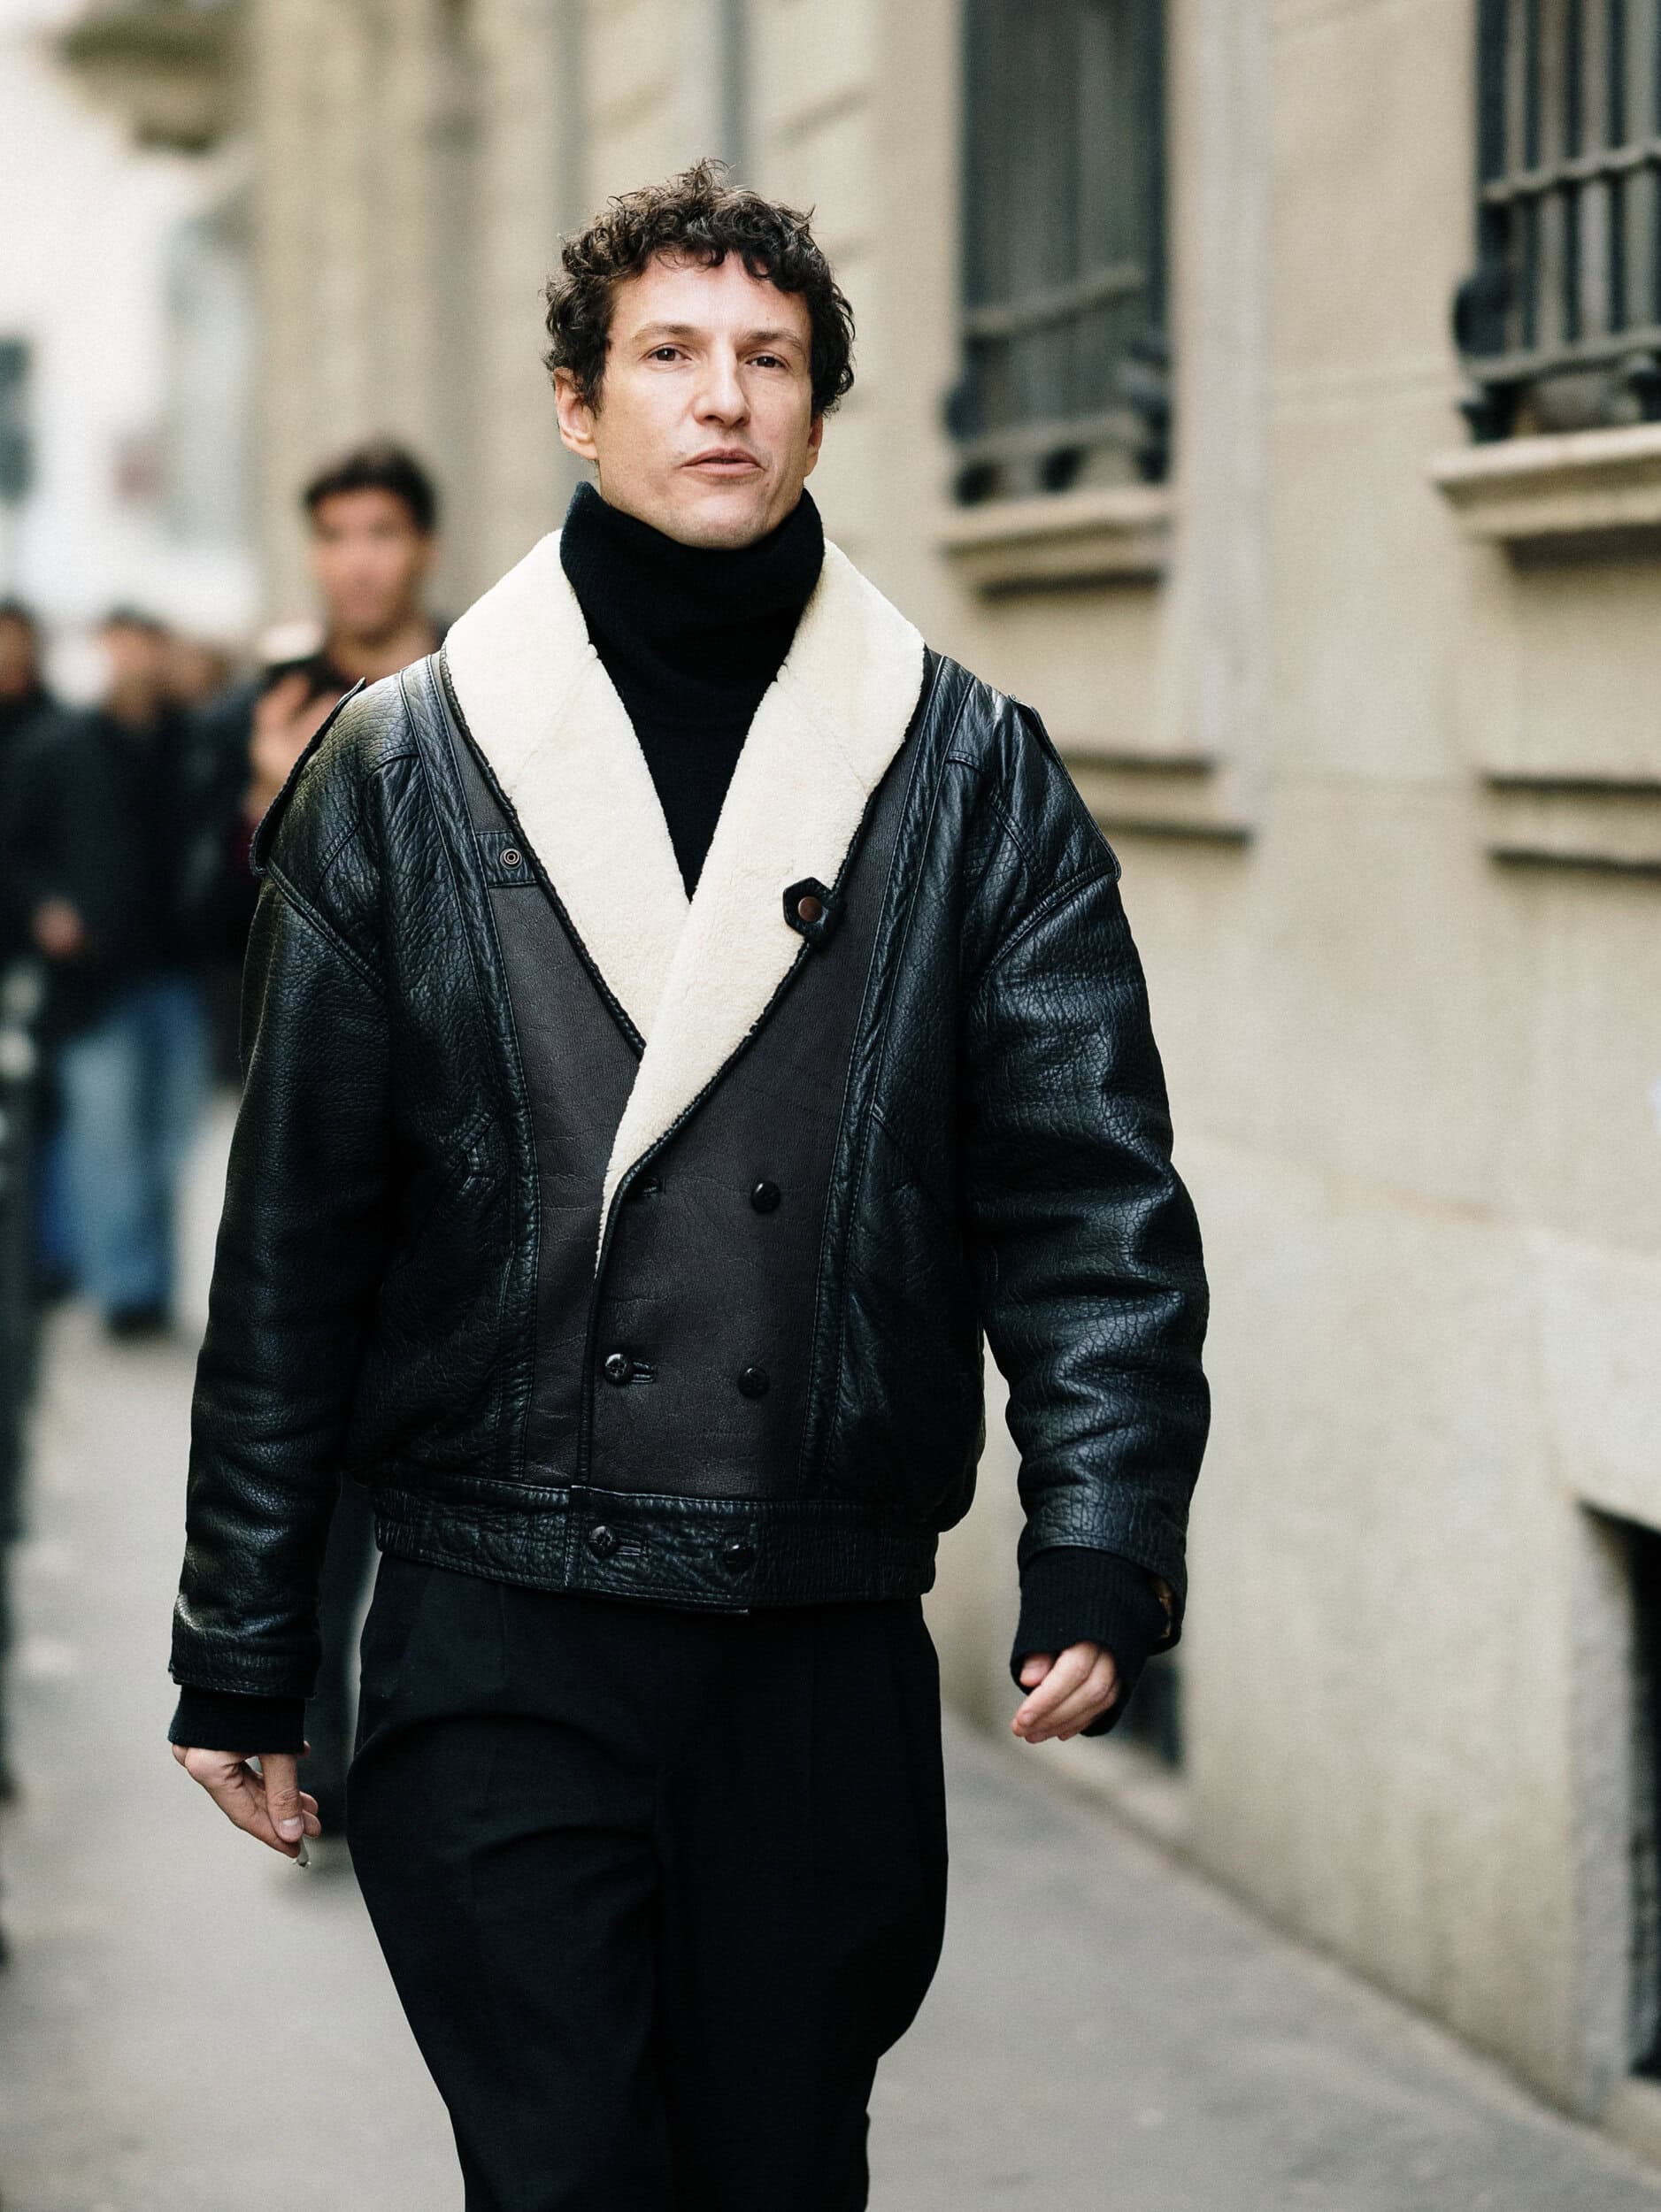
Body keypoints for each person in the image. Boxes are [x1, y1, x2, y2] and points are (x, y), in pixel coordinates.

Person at [167, 163, 1210, 2210]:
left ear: (818, 409)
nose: (722, 397)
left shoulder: (966, 768)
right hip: (493, 1612)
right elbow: (294, 1247)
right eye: (668, 354)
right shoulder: (401, 768)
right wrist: (243, 1638)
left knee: (777, 2172)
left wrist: (1103, 1531)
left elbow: (1089, 1195)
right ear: (577, 403)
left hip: (810, 1633)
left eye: (770, 359)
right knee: (559, 2176)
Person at [178, 442, 444, 1827]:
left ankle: (432, 1753)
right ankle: (321, 1748)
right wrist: (263, 802)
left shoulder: (483, 692)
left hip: (461, 1140)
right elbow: (192, 923)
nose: (359, 561)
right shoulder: (265, 707)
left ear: (421, 549)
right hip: (318, 1136)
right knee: (316, 1450)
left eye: (381, 532)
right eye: (336, 535)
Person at [12, 610, 208, 1340]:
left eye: (144, 648)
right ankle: (127, 1288)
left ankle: (148, 1278)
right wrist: (46, 909)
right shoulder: (57, 748)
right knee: (107, 1137)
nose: (134, 663)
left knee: (170, 1135)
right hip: (96, 978)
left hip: (179, 971)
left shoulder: (190, 746)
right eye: (121, 649)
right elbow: (17, 848)